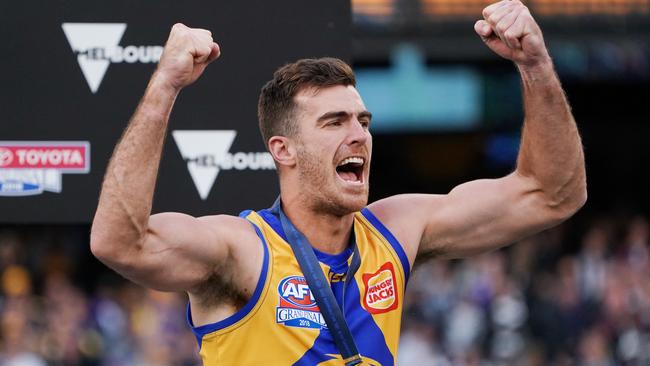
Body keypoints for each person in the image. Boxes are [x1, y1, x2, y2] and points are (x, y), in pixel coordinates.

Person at [90, 0, 587, 364]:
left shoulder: (396, 230)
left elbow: (552, 194)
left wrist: (535, 64)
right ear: (282, 150)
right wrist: (164, 85)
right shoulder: (243, 251)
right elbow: (119, 243)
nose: (359, 136)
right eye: (334, 122)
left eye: (363, 121)